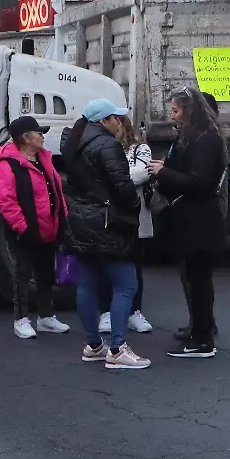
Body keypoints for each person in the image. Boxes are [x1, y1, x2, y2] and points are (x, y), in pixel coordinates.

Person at [60, 99, 149, 370]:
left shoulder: (72, 142)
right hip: (108, 223)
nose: (118, 123)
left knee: (86, 284)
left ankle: (93, 345)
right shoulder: (107, 145)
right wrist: (133, 207)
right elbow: (122, 186)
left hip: (79, 220)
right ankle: (118, 348)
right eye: (115, 118)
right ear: (103, 121)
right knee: (126, 285)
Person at [155, 89, 228, 359]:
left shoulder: (206, 139)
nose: (172, 116)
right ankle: (198, 329)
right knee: (194, 279)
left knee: (199, 281)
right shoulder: (190, 136)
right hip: (189, 219)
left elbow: (199, 181)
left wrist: (163, 172)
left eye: (175, 111)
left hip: (200, 220)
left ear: (189, 110)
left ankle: (203, 339)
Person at [0, 116, 70, 339]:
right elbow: (6, 202)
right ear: (26, 138)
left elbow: (56, 192)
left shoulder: (44, 159)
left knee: (46, 273)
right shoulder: (8, 166)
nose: (42, 136)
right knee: (22, 275)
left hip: (48, 228)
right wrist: (22, 228)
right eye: (38, 132)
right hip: (25, 232)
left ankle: (46, 317)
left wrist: (62, 219)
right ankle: (21, 319)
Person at [106, 121, 155, 337]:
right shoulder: (105, 148)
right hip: (112, 215)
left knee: (136, 265)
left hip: (137, 215)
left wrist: (115, 177)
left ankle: (135, 311)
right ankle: (107, 312)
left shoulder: (140, 149)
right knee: (108, 264)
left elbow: (143, 172)